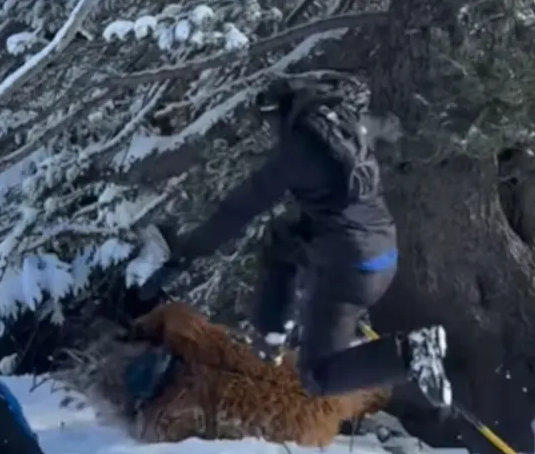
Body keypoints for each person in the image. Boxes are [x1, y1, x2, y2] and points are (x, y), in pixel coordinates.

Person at [137, 76, 453, 409]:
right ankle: (272, 333)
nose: (271, 131)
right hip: (382, 251)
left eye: (270, 121)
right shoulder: (348, 127)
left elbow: (237, 209)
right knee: (282, 238)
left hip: (350, 272)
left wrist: (183, 258)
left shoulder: (298, 152)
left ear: (281, 114)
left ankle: (409, 354)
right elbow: (388, 127)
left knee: (318, 377)